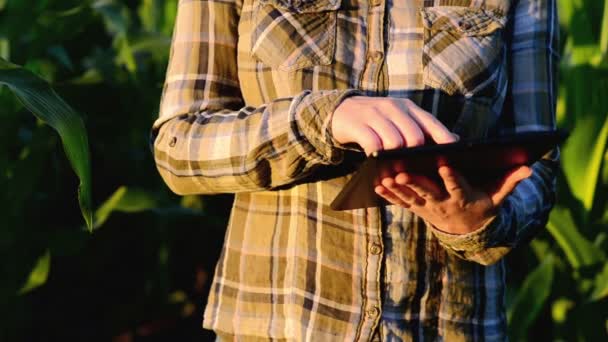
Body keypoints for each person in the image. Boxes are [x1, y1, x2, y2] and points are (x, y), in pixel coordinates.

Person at [151, 0, 559, 340]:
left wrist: (480, 221)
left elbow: (537, 164)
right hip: (282, 327)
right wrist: (321, 119)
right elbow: (180, 148)